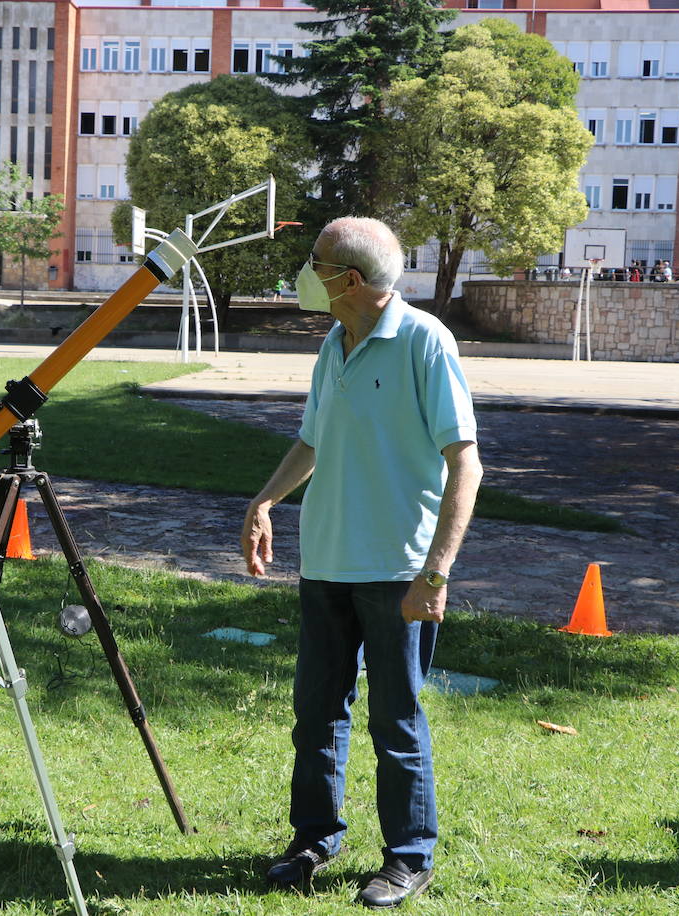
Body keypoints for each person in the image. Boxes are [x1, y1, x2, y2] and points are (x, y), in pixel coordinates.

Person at [241, 217, 483, 909]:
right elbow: (311, 441)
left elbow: (465, 463)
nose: (303, 272)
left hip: (397, 571)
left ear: (348, 280)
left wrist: (435, 571)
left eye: (312, 261)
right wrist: (264, 502)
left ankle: (409, 855)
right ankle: (315, 838)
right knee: (316, 713)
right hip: (326, 563)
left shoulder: (423, 341)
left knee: (395, 720)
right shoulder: (332, 341)